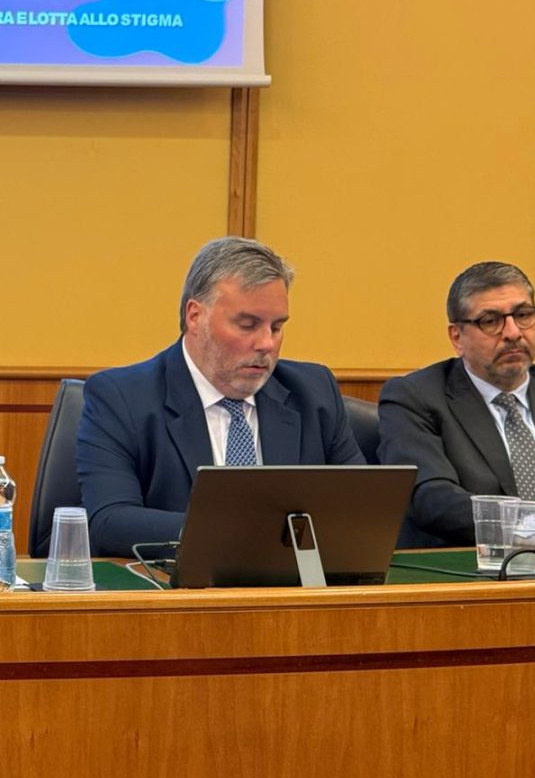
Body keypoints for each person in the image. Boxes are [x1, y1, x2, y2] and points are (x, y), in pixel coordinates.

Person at [75, 236, 364, 556]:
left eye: (276, 327)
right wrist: (242, 534)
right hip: (177, 584)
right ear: (195, 316)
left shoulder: (313, 392)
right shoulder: (121, 398)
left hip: (293, 584)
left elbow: (363, 508)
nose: (267, 344)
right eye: (248, 325)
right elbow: (110, 521)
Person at [377, 261, 535, 547]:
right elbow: (431, 498)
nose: (513, 333)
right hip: (467, 565)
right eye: (490, 321)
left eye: (523, 315)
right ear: (457, 337)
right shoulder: (415, 397)